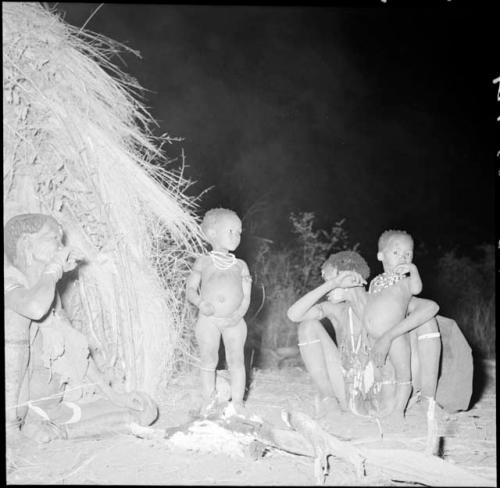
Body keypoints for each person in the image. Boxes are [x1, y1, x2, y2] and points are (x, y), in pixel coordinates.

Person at [4, 213, 158, 444]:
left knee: (145, 412)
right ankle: (12, 426)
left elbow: (75, 352)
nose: (60, 245)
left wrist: (115, 397)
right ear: (26, 244)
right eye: (52, 238)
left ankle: (57, 432)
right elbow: (34, 308)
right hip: (20, 407)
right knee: (15, 317)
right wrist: (55, 268)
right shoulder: (11, 283)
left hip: (51, 408)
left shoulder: (49, 291)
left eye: (60, 239)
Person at [287, 250, 441, 427]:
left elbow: (430, 307)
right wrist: (333, 284)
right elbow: (294, 315)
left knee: (426, 321)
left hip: (390, 392)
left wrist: (389, 336)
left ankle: (428, 403)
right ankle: (330, 401)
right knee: (307, 326)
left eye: (329, 280)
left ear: (350, 278)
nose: (327, 287)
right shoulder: (336, 310)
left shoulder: (383, 300)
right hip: (352, 393)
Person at [364, 230, 441, 424]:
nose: (403, 257)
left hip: (397, 337)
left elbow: (417, 290)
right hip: (374, 338)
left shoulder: (405, 281)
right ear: (381, 255)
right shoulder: (375, 282)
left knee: (403, 373)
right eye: (396, 252)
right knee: (383, 372)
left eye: (408, 254)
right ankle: (387, 403)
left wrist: (413, 270)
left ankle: (403, 409)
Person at [186, 208, 252, 416]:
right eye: (231, 231)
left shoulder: (241, 265)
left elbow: (246, 296)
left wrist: (237, 315)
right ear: (212, 233)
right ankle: (209, 400)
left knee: (236, 359)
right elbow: (189, 289)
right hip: (208, 319)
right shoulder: (203, 262)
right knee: (208, 358)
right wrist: (200, 303)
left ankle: (238, 402)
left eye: (239, 232)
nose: (237, 236)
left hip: (235, 320)